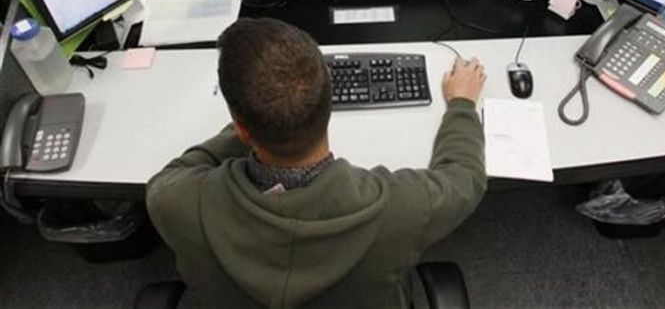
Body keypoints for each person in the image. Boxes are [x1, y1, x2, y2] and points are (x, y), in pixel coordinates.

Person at [146, 17, 487, 308]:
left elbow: (177, 172)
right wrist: (461, 105)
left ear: (241, 128)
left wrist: (255, 121)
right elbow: (465, 176)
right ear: (329, 99)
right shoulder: (401, 208)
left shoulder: (175, 202)